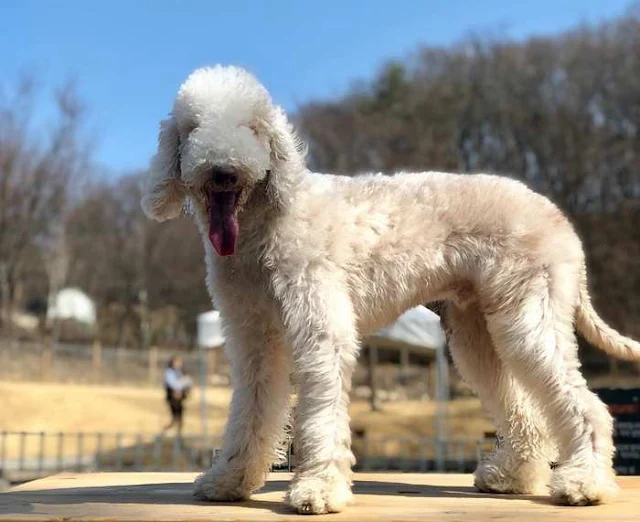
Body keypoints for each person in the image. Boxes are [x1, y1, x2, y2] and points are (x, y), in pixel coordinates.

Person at [163, 355, 192, 436]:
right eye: (176, 362)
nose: (178, 364)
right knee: (175, 417)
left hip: (180, 398)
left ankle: (178, 435)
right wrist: (178, 388)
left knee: (180, 417)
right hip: (172, 398)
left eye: (179, 362)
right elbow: (172, 384)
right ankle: (167, 432)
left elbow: (188, 383)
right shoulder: (169, 372)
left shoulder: (182, 372)